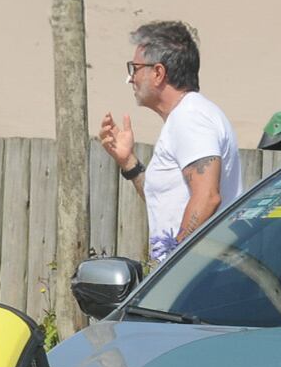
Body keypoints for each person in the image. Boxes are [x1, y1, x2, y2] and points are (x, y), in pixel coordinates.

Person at [97, 21, 240, 262]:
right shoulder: (188, 117)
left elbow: (208, 196)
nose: (130, 79)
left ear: (158, 73)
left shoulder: (190, 118)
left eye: (135, 68)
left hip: (199, 276)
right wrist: (129, 163)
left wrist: (173, 266)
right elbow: (165, 199)